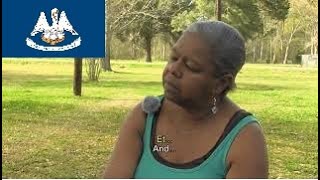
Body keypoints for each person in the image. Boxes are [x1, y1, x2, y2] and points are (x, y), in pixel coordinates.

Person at [103, 20, 268, 178]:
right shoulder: (145, 117)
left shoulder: (245, 138)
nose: (173, 69)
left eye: (191, 66)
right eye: (174, 58)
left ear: (221, 84)